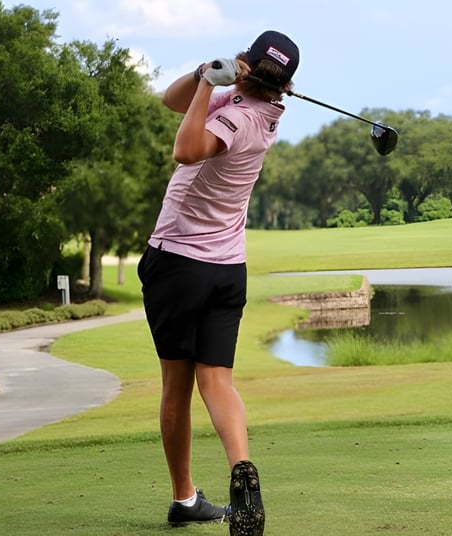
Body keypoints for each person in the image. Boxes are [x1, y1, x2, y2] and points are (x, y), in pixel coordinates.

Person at [137, 30, 300, 535]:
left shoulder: (237, 115)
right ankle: (241, 472)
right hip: (228, 270)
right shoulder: (261, 108)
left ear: (248, 66)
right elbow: (171, 101)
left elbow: (185, 150)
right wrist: (202, 75)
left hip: (179, 265)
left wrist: (211, 82)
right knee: (218, 380)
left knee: (176, 387)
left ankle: (185, 499)